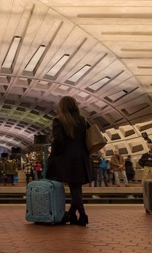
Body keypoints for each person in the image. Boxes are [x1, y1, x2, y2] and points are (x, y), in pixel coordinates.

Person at [46, 96, 92, 226]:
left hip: (67, 159)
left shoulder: (59, 120)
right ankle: (71, 214)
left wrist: (54, 154)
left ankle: (83, 216)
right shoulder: (83, 120)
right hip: (82, 158)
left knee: (74, 187)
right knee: (76, 187)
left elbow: (58, 141)